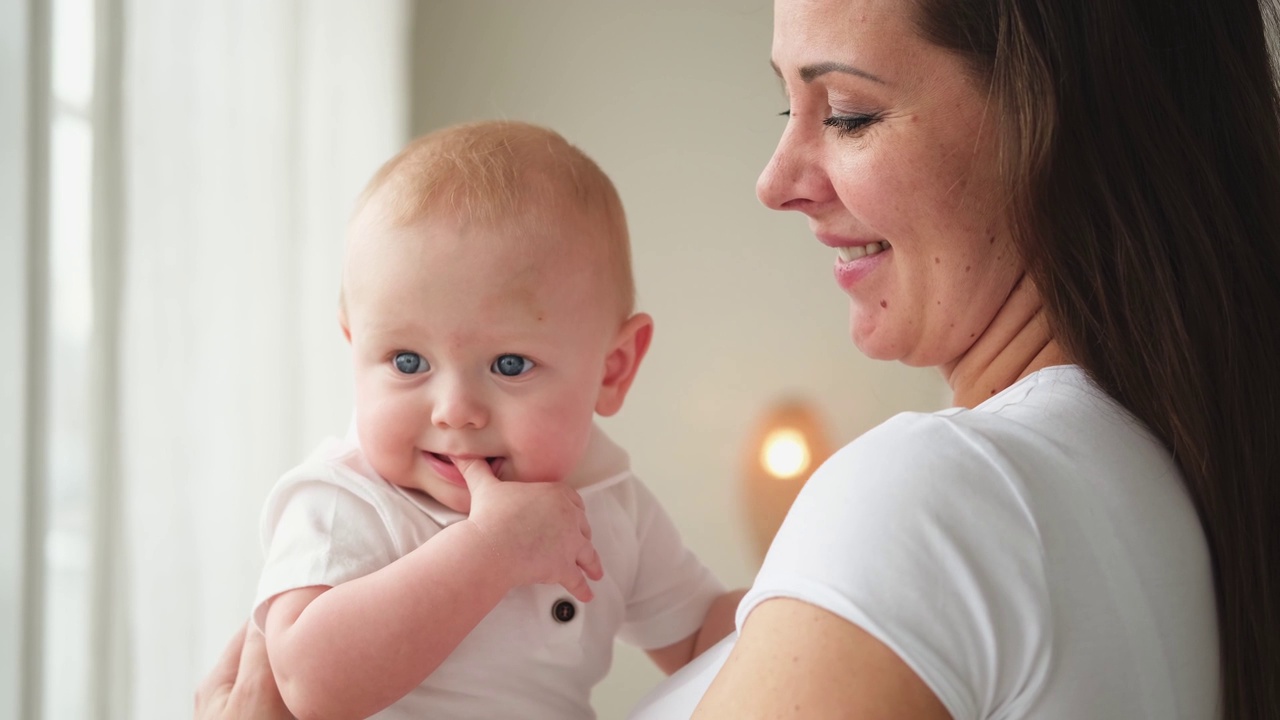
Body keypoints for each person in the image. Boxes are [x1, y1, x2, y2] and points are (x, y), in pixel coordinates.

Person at [197, 0, 1280, 717]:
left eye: (846, 111)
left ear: (1059, 122)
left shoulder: (944, 500)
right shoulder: (1153, 483)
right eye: (785, 104)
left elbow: (698, 619)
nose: (773, 180)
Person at [246, 120, 741, 720]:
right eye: (408, 361)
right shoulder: (346, 500)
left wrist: (802, 591)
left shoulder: (610, 503)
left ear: (612, 370)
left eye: (510, 364)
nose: (454, 411)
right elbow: (308, 683)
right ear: (354, 348)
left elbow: (698, 640)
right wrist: (488, 550)